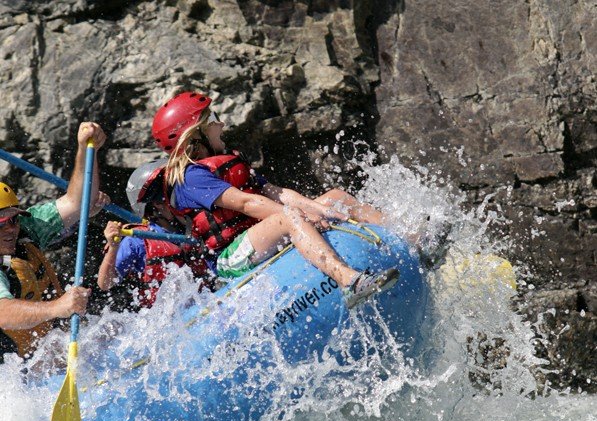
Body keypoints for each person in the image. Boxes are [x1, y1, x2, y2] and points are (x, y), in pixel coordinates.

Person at [150, 91, 399, 308]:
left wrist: (316, 208)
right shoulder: (190, 178)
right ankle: (349, 282)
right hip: (230, 257)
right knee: (288, 216)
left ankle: (410, 239)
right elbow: (246, 203)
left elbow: (276, 192)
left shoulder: (228, 160)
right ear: (195, 136)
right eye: (214, 119)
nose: (222, 123)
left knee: (335, 197)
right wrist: (301, 215)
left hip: (260, 235)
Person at [0, 122, 109, 363]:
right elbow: (2, 312)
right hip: (11, 377)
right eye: (1, 224)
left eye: (13, 220)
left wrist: (85, 149)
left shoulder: (26, 230)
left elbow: (77, 202)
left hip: (42, 352)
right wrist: (57, 308)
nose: (10, 229)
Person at [98, 159, 210, 308]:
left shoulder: (198, 222)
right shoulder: (136, 240)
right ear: (157, 205)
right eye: (176, 194)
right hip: (168, 319)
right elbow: (105, 283)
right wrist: (113, 247)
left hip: (207, 302)